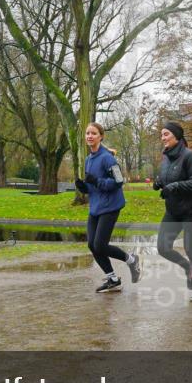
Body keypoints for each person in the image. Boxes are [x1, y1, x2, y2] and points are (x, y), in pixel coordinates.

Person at [75, 122, 142, 293]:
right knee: (92, 244)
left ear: (101, 136)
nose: (90, 136)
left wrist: (97, 181)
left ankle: (131, 260)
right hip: (96, 207)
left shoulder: (107, 158)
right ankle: (113, 279)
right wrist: (84, 187)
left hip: (111, 206)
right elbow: (93, 186)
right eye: (87, 133)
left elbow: (119, 182)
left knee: (101, 245)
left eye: (94, 133)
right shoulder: (89, 159)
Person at [153, 121, 192, 302]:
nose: (163, 138)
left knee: (191, 250)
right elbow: (166, 178)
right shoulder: (166, 158)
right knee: (162, 248)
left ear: (177, 136)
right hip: (173, 211)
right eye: (161, 135)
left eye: (166, 134)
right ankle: (187, 267)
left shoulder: (189, 156)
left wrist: (174, 186)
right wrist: (159, 183)